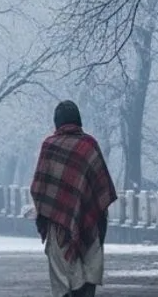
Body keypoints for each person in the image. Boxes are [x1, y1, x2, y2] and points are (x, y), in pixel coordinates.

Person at [30, 100, 117, 297]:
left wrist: (46, 216)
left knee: (63, 281)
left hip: (58, 228)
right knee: (87, 277)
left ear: (57, 122)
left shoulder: (49, 146)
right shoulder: (89, 145)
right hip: (90, 226)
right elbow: (102, 187)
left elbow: (38, 188)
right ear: (78, 120)